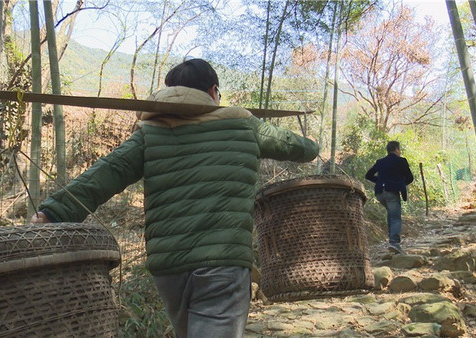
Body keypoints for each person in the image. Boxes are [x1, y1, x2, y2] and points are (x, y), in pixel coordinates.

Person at [30, 58, 319, 338]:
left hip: (168, 269)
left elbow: (105, 174)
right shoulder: (244, 123)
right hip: (223, 264)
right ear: (213, 92)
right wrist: (312, 146)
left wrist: (52, 213)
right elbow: (295, 146)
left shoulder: (150, 133)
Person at [365, 141, 414, 255]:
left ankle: (392, 242)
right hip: (392, 193)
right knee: (396, 218)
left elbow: (368, 175)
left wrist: (381, 182)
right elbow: (410, 178)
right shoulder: (401, 161)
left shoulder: (380, 162)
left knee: (391, 215)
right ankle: (394, 243)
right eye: (399, 150)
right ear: (397, 149)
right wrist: (400, 183)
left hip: (380, 193)